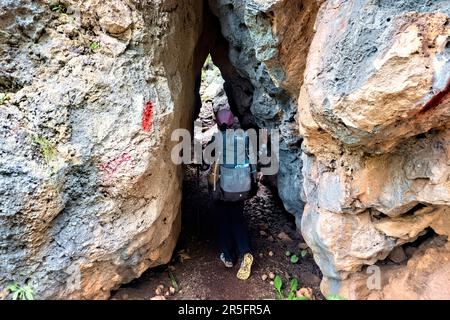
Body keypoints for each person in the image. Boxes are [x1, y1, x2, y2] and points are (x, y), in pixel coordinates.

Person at [207, 109, 258, 280]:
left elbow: (207, 158)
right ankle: (245, 252)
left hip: (224, 187)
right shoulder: (244, 136)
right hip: (242, 186)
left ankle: (228, 257)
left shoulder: (217, 138)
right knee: (237, 218)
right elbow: (253, 161)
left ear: (217, 122)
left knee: (223, 219)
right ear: (232, 121)